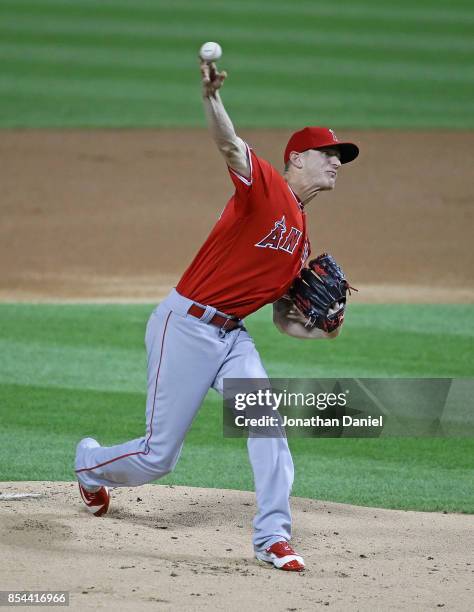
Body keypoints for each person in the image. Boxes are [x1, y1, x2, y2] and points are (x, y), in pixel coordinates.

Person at [74, 58, 359, 572]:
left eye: (341, 157)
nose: (337, 162)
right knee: (158, 457)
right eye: (328, 154)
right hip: (184, 327)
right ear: (296, 158)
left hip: (233, 338)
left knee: (267, 425)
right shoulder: (267, 187)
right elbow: (230, 145)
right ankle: (89, 465)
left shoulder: (301, 242)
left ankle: (272, 537)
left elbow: (282, 320)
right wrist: (211, 97)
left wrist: (322, 329)